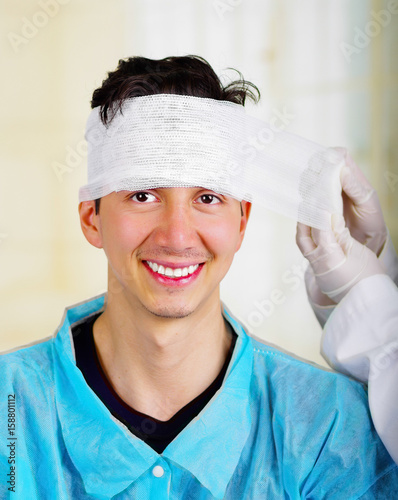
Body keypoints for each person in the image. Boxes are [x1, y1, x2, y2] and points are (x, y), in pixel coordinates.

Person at [1, 55, 397, 499]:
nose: (177, 235)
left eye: (207, 197)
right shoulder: (8, 411)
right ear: (92, 219)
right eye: (143, 194)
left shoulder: (328, 427)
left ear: (242, 221)